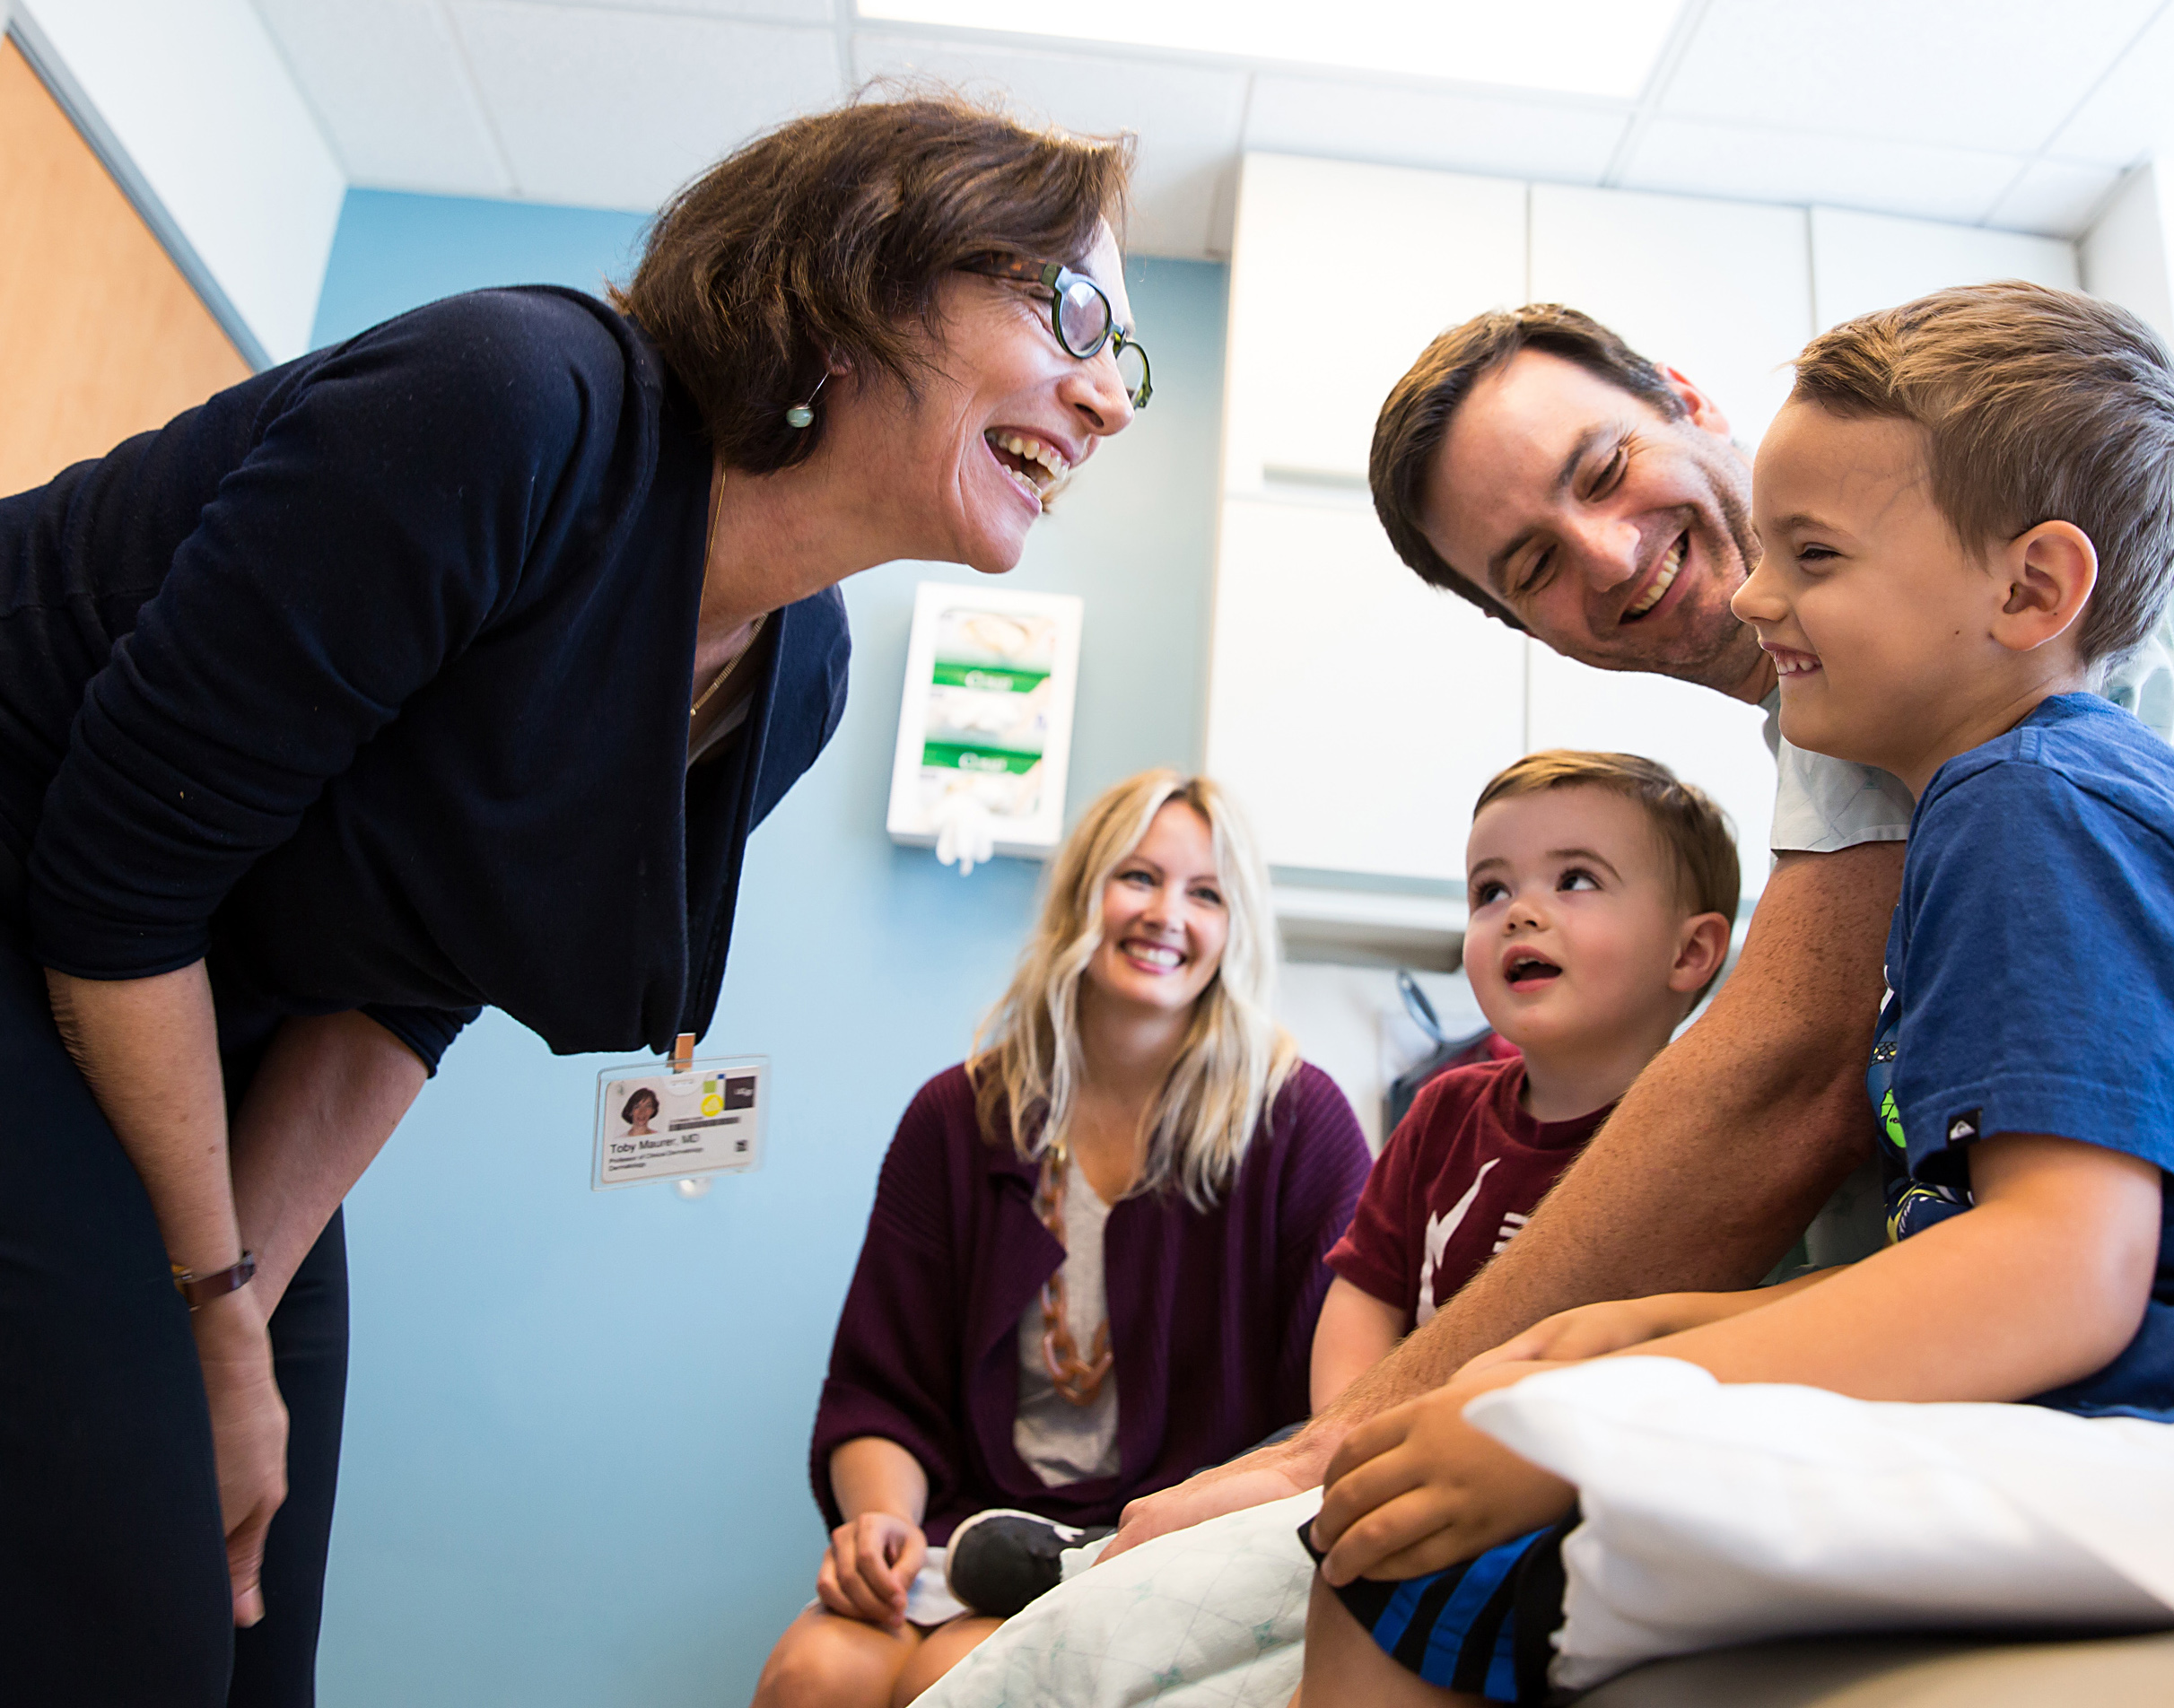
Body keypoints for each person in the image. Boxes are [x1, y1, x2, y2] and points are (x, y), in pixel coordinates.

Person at [0, 92, 1145, 1705]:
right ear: (868, 268)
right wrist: (212, 1310)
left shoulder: (790, 673)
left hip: (195, 1007)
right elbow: (117, 884)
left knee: (244, 1618)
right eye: (1073, 310)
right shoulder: (515, 403)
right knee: (120, 1612)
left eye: (1125, 357)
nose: (1106, 395)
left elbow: (410, 981)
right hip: (55, 909)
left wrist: (237, 1311)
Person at [1293, 282, 2174, 1706]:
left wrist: (1591, 1413)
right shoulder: (2017, 805)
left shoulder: (2030, 801)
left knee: (1393, 1569)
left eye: (1810, 557)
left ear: (2031, 591)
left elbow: (2060, 1270)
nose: (1750, 596)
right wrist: (1625, 1334)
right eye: (1529, 568)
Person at [1106, 301, 2174, 1559]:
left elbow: (1788, 1081)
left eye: (1602, 469)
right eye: (1528, 567)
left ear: (1689, 398)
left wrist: (1345, 1449)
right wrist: (1607, 1345)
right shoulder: (1858, 737)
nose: (1601, 552)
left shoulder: (2010, 725)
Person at [750, 770, 1372, 1708]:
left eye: (1206, 893)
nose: (1167, 914)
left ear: (1235, 929)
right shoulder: (957, 1116)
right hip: (967, 1532)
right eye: (1138, 876)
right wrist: (879, 1518)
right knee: (814, 1672)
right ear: (1083, 890)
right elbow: (884, 1388)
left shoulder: (1298, 1121)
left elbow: (1332, 1417)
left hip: (1170, 1544)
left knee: (947, 1678)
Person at [1311, 751, 1736, 1411]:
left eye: (1576, 879)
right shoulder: (1441, 1111)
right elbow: (1365, 1299)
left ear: (1689, 953)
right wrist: (1338, 1437)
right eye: (1491, 891)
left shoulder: (1709, 1141)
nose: (1521, 912)